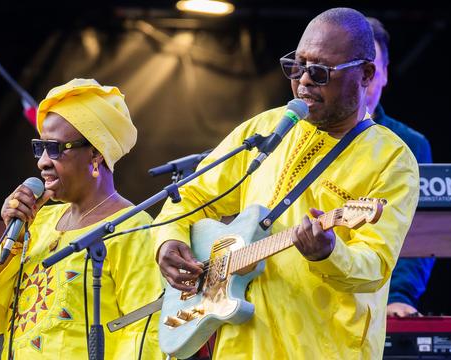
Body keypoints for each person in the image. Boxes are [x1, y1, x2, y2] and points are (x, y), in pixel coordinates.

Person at [153, 8, 419, 359]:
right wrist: (167, 241)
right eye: (298, 65)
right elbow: (189, 196)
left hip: (323, 348)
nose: (305, 80)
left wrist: (329, 253)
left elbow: (375, 265)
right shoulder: (266, 128)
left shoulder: (391, 159)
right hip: (243, 345)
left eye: (321, 71)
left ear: (366, 74)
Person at [0, 79, 163, 359]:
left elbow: (145, 331)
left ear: (95, 154)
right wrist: (14, 239)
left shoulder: (132, 228)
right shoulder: (38, 222)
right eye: (39, 147)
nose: (42, 161)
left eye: (54, 149)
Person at [366, 17, 436, 317]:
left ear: (384, 75)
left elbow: (418, 228)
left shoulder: (409, 143)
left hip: (374, 298)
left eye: (370, 69)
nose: (362, 79)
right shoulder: (298, 135)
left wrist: (400, 295)